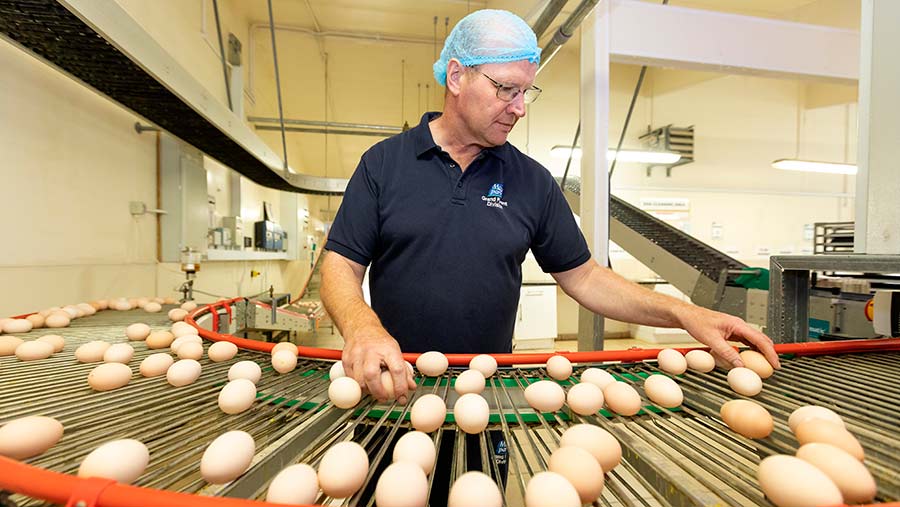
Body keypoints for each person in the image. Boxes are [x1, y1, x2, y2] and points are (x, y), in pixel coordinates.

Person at [321, 9, 780, 404]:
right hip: (389, 386)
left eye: (526, 93)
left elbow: (586, 277)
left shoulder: (532, 181)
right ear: (457, 76)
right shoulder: (384, 164)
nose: (519, 108)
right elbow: (340, 266)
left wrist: (686, 313)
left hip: (486, 394)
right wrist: (363, 327)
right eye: (507, 89)